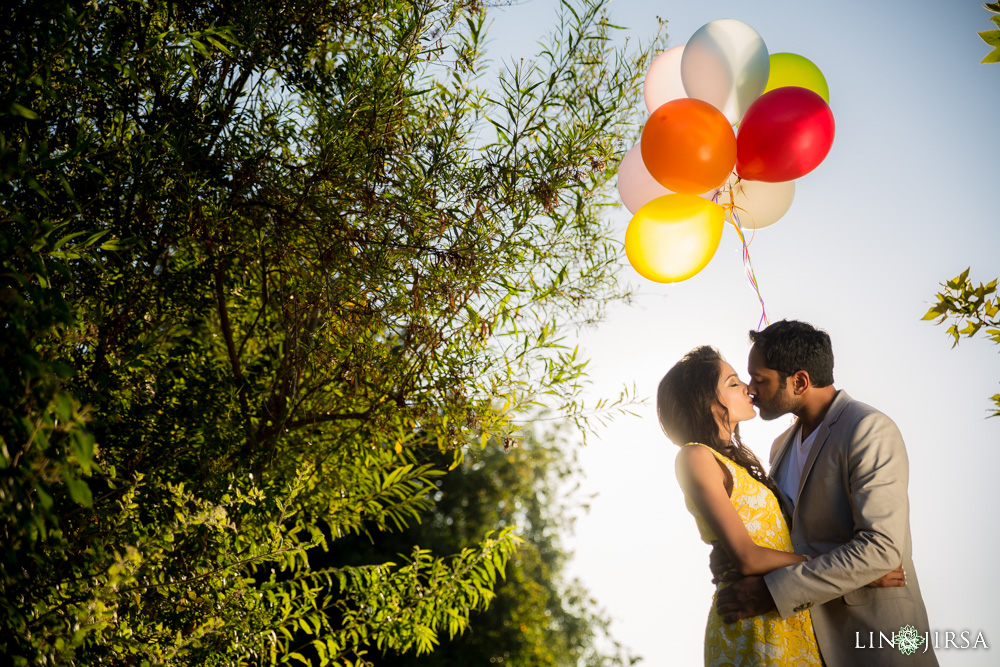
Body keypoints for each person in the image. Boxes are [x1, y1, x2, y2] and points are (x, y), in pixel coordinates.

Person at [715, 320, 937, 666]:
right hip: (806, 642)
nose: (750, 388)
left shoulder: (867, 429)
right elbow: (790, 538)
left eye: (760, 378)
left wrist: (775, 592)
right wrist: (732, 555)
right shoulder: (781, 447)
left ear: (799, 381)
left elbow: (881, 550)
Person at [658, 346, 823, 665]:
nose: (748, 388)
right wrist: (842, 566)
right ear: (704, 400)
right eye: (733, 383)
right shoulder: (695, 456)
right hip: (750, 622)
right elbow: (748, 558)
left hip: (786, 611)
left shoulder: (743, 464)